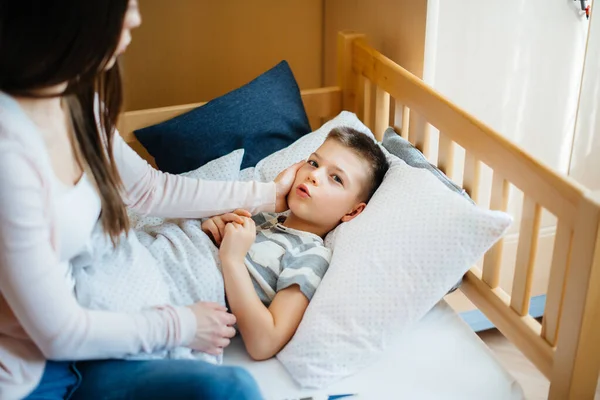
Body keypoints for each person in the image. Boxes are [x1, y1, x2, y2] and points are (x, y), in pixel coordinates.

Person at [0, 1, 302, 399]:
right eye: (124, 5)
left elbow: (150, 189)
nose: (136, 18)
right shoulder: (10, 154)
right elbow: (59, 334)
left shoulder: (75, 97)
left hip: (96, 342)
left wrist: (267, 193)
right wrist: (184, 325)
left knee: (233, 387)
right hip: (34, 372)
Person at [202, 127, 390, 360]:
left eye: (336, 178)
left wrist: (232, 260)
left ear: (353, 211)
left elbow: (264, 342)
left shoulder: (310, 255)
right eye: (313, 163)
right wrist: (212, 230)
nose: (315, 175)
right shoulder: (262, 215)